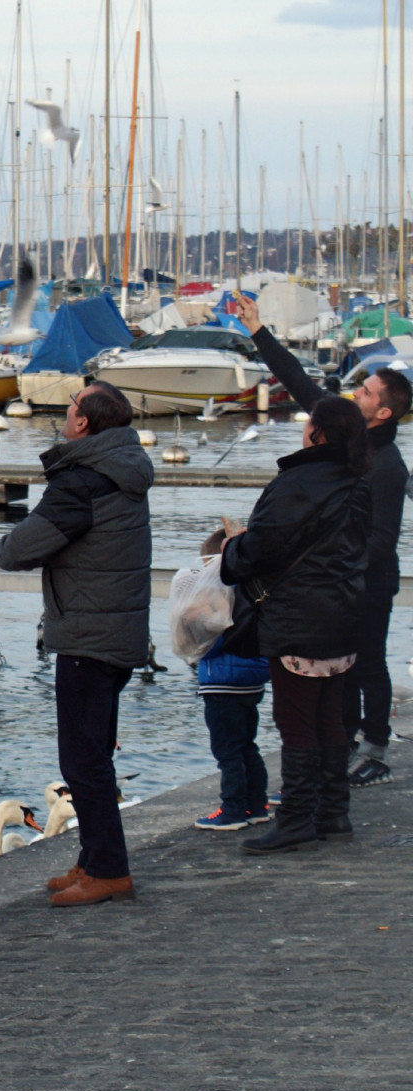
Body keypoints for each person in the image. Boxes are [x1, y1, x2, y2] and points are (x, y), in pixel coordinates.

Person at [233, 293, 409, 786]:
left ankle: (373, 746)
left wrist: (327, 559)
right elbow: (297, 381)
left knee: (368, 661)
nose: (358, 395)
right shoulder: (345, 433)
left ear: (383, 415)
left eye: (368, 393)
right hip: (340, 578)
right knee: (341, 669)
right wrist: (258, 330)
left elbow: (381, 540)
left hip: (368, 580)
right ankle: (347, 742)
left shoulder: (388, 468)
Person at [0, 381, 154, 906]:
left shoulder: (82, 482)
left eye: (68, 408)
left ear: (83, 423)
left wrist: (0, 546)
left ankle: (109, 870)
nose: (63, 415)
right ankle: (92, 859)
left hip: (89, 634)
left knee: (82, 761)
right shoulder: (123, 470)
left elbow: (22, 549)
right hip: (116, 629)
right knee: (93, 755)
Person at [220, 395, 373, 853]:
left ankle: (296, 817)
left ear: (318, 433)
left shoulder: (298, 482)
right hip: (343, 612)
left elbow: (261, 548)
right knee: (329, 716)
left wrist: (232, 549)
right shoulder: (357, 481)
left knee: (296, 719)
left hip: (298, 615)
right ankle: (332, 812)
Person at [189, 527, 272, 831]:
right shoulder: (254, 586)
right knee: (247, 744)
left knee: (227, 751)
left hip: (222, 681)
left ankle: (233, 809)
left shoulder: (217, 593)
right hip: (253, 680)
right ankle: (257, 804)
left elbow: (206, 640)